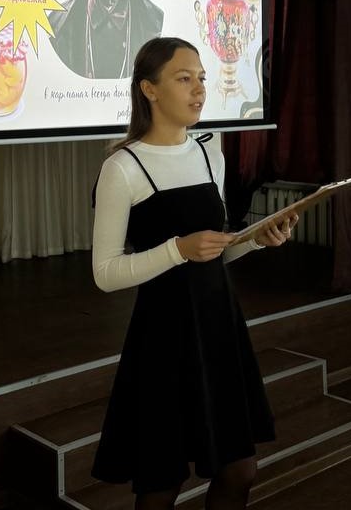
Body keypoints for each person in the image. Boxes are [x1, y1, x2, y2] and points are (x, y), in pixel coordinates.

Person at [91, 37, 297, 509]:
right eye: (184, 79)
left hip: (218, 327)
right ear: (149, 89)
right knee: (161, 485)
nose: (200, 89)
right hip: (163, 337)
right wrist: (177, 250)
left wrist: (253, 240)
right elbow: (105, 272)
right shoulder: (122, 168)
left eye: (202, 78)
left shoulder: (210, 156)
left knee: (240, 470)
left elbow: (214, 251)